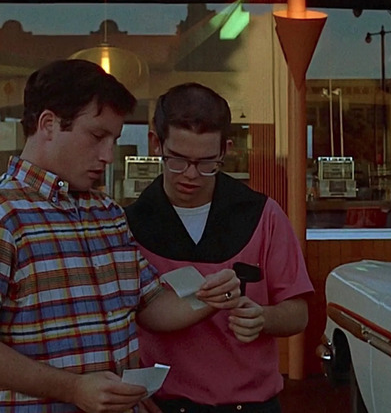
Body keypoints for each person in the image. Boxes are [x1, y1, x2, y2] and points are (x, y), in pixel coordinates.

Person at [0, 59, 241, 412]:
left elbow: (150, 305)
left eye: (114, 139)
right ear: (48, 124)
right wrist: (73, 389)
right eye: (97, 136)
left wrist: (211, 296)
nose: (108, 156)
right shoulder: (7, 215)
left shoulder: (107, 212)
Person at [125, 83, 313, 413]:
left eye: (207, 162)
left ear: (225, 150)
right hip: (163, 405)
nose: (191, 175)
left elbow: (298, 313)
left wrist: (263, 318)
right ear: (156, 144)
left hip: (251, 404)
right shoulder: (128, 224)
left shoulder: (263, 215)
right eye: (178, 161)